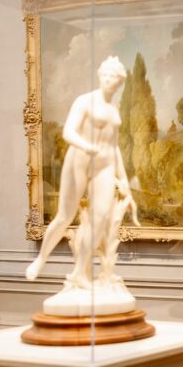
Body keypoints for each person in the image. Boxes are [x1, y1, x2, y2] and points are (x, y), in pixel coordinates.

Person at [25, 56, 139, 292]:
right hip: (80, 159)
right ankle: (41, 260)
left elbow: (114, 146)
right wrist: (86, 146)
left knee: (100, 219)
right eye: (106, 75)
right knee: (65, 215)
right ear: (100, 75)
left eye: (114, 77)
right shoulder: (85, 101)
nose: (109, 80)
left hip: (105, 166)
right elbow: (68, 131)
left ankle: (80, 272)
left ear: (120, 82)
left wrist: (124, 178)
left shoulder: (114, 109)